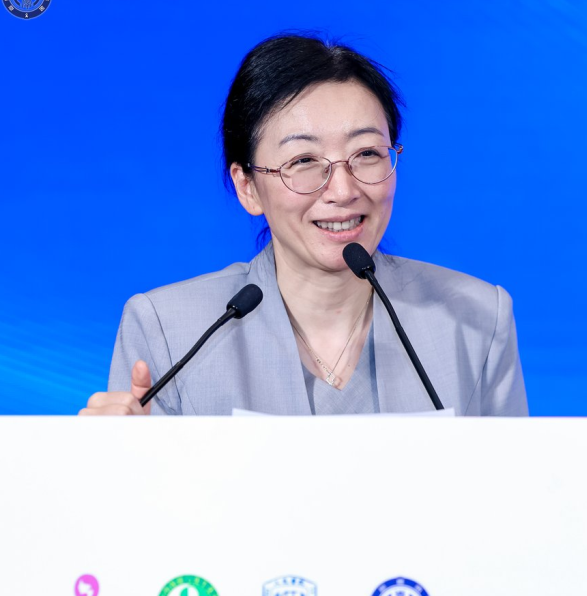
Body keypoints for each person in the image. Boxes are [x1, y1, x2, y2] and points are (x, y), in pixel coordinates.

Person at [81, 33, 528, 417]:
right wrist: (112, 463)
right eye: (304, 161)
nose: (343, 190)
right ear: (248, 187)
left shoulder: (475, 320)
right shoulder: (169, 330)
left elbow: (514, 488)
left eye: (367, 154)